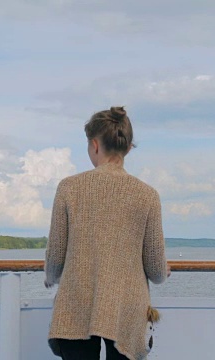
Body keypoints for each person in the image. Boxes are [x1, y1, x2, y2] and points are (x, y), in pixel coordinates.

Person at [44, 106, 169, 360]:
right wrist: (162, 272)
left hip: (77, 304)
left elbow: (56, 257)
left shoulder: (69, 188)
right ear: (128, 147)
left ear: (94, 145)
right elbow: (156, 270)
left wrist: (52, 276)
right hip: (126, 308)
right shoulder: (147, 195)